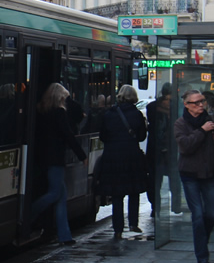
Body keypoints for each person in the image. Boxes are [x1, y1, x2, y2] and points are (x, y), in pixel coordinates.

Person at [174, 88, 214, 263]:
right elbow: (185, 146)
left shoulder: (212, 120)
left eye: (202, 102)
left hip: (209, 173)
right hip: (189, 174)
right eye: (196, 103)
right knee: (197, 215)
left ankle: (202, 239)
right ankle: (202, 256)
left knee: (212, 213)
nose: (200, 105)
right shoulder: (181, 123)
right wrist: (202, 131)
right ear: (186, 105)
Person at [29, 83, 88, 245]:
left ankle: (65, 235)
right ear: (60, 98)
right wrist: (82, 155)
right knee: (55, 193)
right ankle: (29, 213)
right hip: (56, 158)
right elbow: (68, 134)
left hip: (43, 157)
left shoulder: (42, 111)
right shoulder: (60, 112)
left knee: (61, 197)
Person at [99, 85, 150, 237]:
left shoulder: (109, 114)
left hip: (113, 157)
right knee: (133, 191)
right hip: (131, 156)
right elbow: (141, 136)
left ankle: (118, 228)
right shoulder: (137, 114)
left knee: (116, 194)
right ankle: (133, 223)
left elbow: (103, 136)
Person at [145, 83, 173, 216]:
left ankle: (158, 205)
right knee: (156, 180)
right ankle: (156, 205)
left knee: (158, 179)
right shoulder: (154, 108)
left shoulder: (153, 107)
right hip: (161, 150)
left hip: (163, 149)